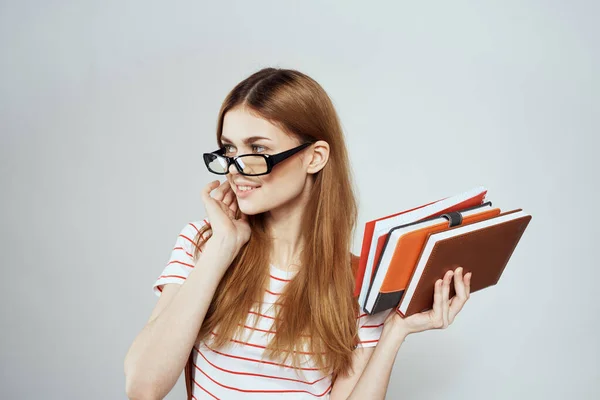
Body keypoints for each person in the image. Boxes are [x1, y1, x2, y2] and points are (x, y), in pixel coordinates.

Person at [124, 67, 472, 400]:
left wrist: (395, 332)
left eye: (258, 150)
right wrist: (223, 246)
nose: (236, 169)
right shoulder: (202, 244)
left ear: (315, 158)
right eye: (229, 149)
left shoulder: (358, 284)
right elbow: (143, 387)